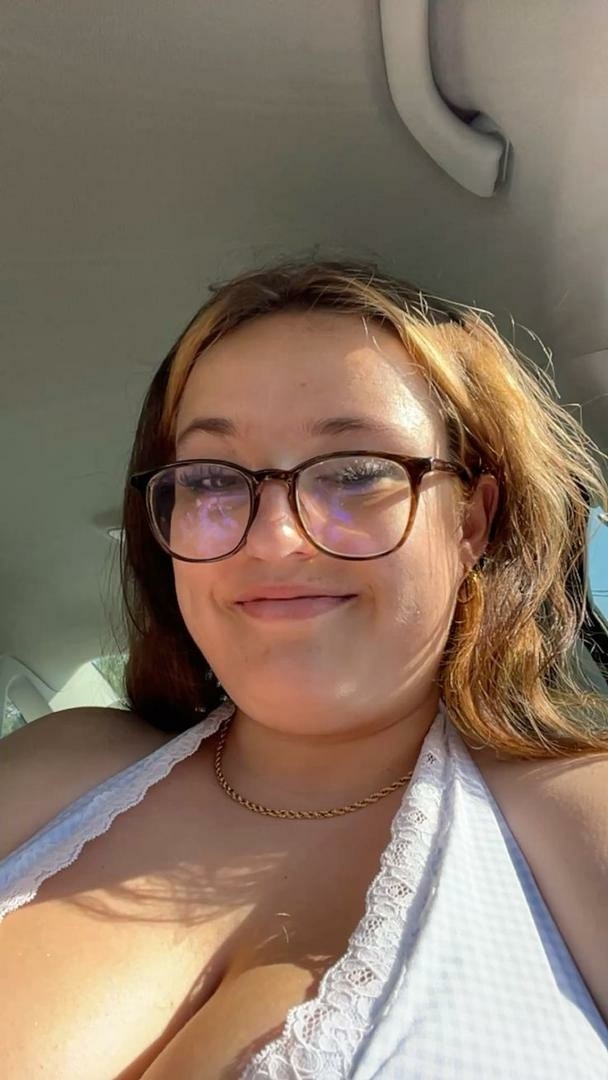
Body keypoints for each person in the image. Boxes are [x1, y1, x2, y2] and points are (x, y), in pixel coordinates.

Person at [1, 257, 607, 1079]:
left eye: (354, 471)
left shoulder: (578, 815)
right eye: (212, 479)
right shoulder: (60, 763)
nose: (274, 539)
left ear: (472, 519)